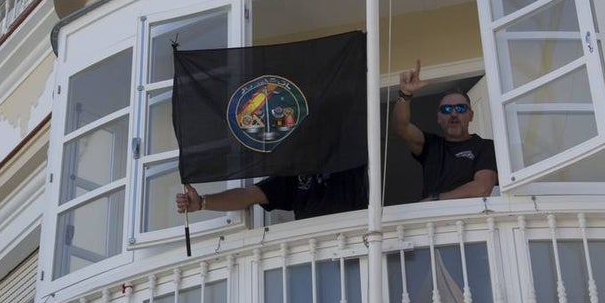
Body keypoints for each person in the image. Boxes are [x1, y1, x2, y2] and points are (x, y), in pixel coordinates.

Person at [392, 61, 497, 201]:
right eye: (446, 109)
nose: (453, 114)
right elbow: (401, 127)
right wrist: (405, 93)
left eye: (460, 108)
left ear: (471, 115)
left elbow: (482, 188)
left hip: (471, 218)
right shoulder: (431, 145)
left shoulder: (485, 147)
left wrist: (435, 199)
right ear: (439, 118)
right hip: (433, 221)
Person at [176, 166, 368, 221]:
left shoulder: (351, 155)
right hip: (314, 250)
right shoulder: (293, 173)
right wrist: (201, 202)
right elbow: (247, 195)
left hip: (357, 240)